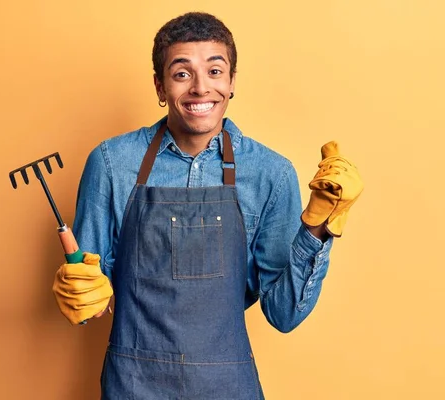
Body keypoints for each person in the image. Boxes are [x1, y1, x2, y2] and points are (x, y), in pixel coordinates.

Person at [52, 11, 363, 399]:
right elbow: (93, 294)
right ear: (160, 87)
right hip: (134, 385)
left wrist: (318, 227)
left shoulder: (271, 174)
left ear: (232, 83)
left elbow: (284, 315)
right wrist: (82, 292)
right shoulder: (113, 163)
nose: (201, 88)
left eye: (215, 72)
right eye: (182, 74)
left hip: (227, 387)